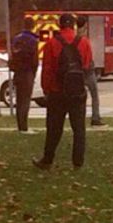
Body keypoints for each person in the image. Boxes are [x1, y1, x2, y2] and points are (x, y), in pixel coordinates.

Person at [33, 13, 93, 170]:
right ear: (73, 25)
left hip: (57, 92)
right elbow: (87, 66)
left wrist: (46, 89)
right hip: (77, 92)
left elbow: (47, 69)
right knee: (79, 129)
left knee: (54, 128)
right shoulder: (84, 43)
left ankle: (47, 160)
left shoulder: (52, 44)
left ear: (60, 26)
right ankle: (78, 163)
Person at [9, 17, 40, 134]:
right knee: (26, 100)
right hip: (27, 73)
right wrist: (34, 73)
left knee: (19, 100)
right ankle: (24, 127)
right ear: (33, 26)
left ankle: (20, 125)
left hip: (17, 73)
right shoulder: (33, 40)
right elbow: (34, 60)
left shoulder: (16, 39)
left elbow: (12, 56)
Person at [76, 16, 105, 127]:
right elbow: (88, 57)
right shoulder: (85, 41)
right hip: (88, 71)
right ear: (85, 26)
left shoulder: (75, 40)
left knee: (80, 96)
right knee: (94, 95)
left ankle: (79, 117)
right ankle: (95, 117)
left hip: (78, 71)